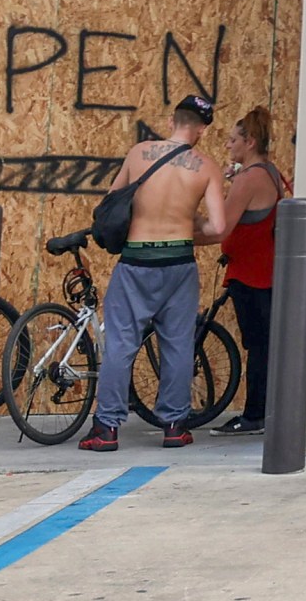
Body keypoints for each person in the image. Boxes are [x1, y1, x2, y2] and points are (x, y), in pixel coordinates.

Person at [83, 94, 228, 452]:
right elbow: (219, 228)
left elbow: (112, 202)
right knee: (178, 345)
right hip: (179, 262)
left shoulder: (139, 153)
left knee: (121, 343)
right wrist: (184, 228)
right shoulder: (206, 167)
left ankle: (107, 429)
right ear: (202, 130)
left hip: (136, 261)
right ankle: (175, 426)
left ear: (171, 122)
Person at [211, 106, 288, 436]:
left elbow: (221, 226)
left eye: (233, 140)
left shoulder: (249, 179)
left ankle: (255, 414)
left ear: (250, 142)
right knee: (263, 344)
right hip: (263, 271)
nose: (228, 146)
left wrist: (178, 231)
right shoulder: (269, 172)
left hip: (253, 274)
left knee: (259, 345)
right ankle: (263, 411)